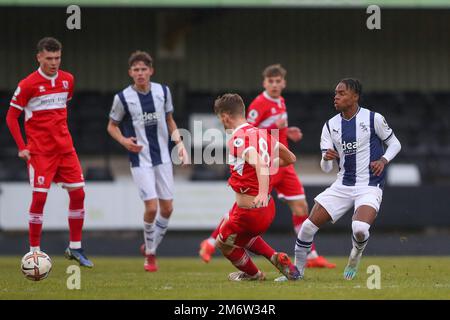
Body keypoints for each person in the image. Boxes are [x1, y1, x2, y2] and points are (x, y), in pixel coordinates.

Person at [199, 64, 335, 268]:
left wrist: (287, 132)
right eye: (270, 81)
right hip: (266, 160)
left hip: (275, 162)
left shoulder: (280, 101)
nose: (274, 84)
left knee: (300, 207)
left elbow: (259, 133)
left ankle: (310, 255)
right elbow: (251, 131)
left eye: (278, 81)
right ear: (264, 83)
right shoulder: (258, 104)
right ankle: (211, 242)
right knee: (246, 206)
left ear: (283, 83)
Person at [277, 78, 401, 281]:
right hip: (343, 184)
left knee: (360, 229)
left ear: (355, 96)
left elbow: (395, 144)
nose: (336, 96)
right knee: (307, 227)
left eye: (342, 93)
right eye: (335, 93)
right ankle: (296, 273)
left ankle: (355, 255)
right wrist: (326, 158)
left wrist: (384, 160)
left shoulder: (373, 119)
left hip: (369, 185)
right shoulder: (330, 126)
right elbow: (326, 168)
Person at [5, 37, 93, 267]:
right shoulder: (28, 84)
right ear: (39, 57)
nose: (54, 62)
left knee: (79, 194)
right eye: (50, 58)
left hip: (65, 149)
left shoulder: (67, 80)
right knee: (39, 198)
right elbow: (11, 117)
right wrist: (22, 147)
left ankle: (75, 248)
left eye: (58, 58)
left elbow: (61, 108)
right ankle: (34, 253)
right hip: (40, 153)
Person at [107, 51, 188, 272]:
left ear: (151, 71)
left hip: (162, 158)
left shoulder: (163, 91)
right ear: (130, 73)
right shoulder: (122, 98)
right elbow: (111, 126)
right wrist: (124, 141)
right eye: (136, 70)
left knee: (168, 208)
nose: (140, 73)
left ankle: (150, 245)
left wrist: (180, 144)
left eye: (144, 69)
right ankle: (150, 255)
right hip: (140, 159)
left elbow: (170, 120)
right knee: (152, 208)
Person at [213, 93, 300, 281]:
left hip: (250, 211)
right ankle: (276, 257)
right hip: (267, 208)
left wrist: (261, 190)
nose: (222, 122)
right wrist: (267, 169)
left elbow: (259, 162)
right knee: (241, 237)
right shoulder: (262, 133)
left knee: (223, 244)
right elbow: (291, 158)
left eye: (220, 118)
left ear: (226, 116)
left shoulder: (237, 138)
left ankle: (254, 274)